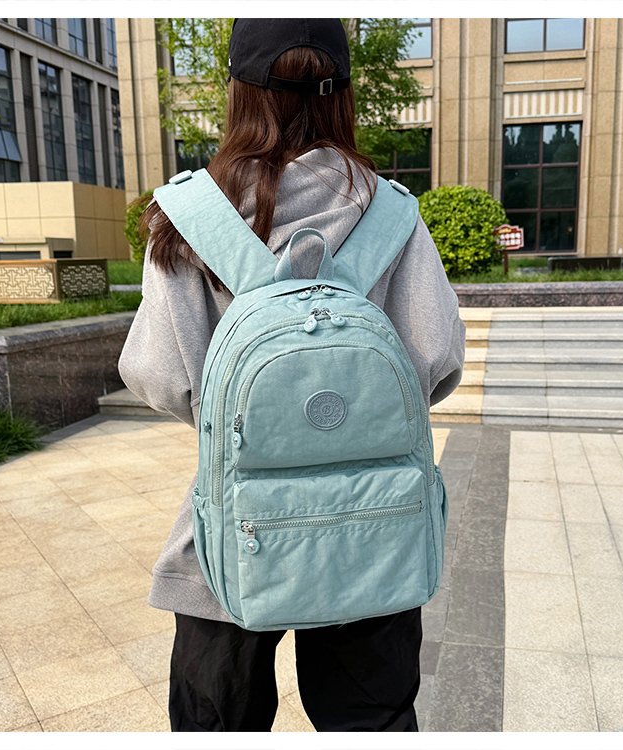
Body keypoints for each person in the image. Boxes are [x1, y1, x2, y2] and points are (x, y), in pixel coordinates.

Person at [118, 18, 466, 732]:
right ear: (344, 93)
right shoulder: (392, 212)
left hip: (235, 529)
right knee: (371, 721)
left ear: (238, 92)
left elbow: (159, 376)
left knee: (217, 723)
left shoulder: (189, 215)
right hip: (375, 528)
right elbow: (435, 358)